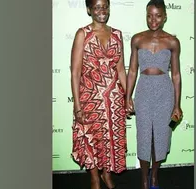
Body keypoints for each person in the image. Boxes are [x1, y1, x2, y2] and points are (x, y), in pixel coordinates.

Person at [125, 0, 183, 189]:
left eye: (158, 15)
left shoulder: (172, 41)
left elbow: (175, 74)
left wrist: (177, 104)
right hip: (143, 91)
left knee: (160, 136)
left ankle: (155, 177)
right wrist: (127, 97)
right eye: (149, 15)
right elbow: (132, 70)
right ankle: (143, 179)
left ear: (165, 16)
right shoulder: (137, 39)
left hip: (164, 93)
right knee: (144, 137)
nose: (153, 19)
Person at [70, 0, 127, 188]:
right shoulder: (82, 34)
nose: (102, 10)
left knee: (110, 140)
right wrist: (77, 105)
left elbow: (121, 69)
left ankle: (107, 174)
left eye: (105, 6)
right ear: (89, 10)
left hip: (113, 100)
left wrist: (127, 96)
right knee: (91, 138)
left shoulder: (117, 35)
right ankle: (95, 177)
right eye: (97, 7)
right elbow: (75, 72)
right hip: (89, 98)